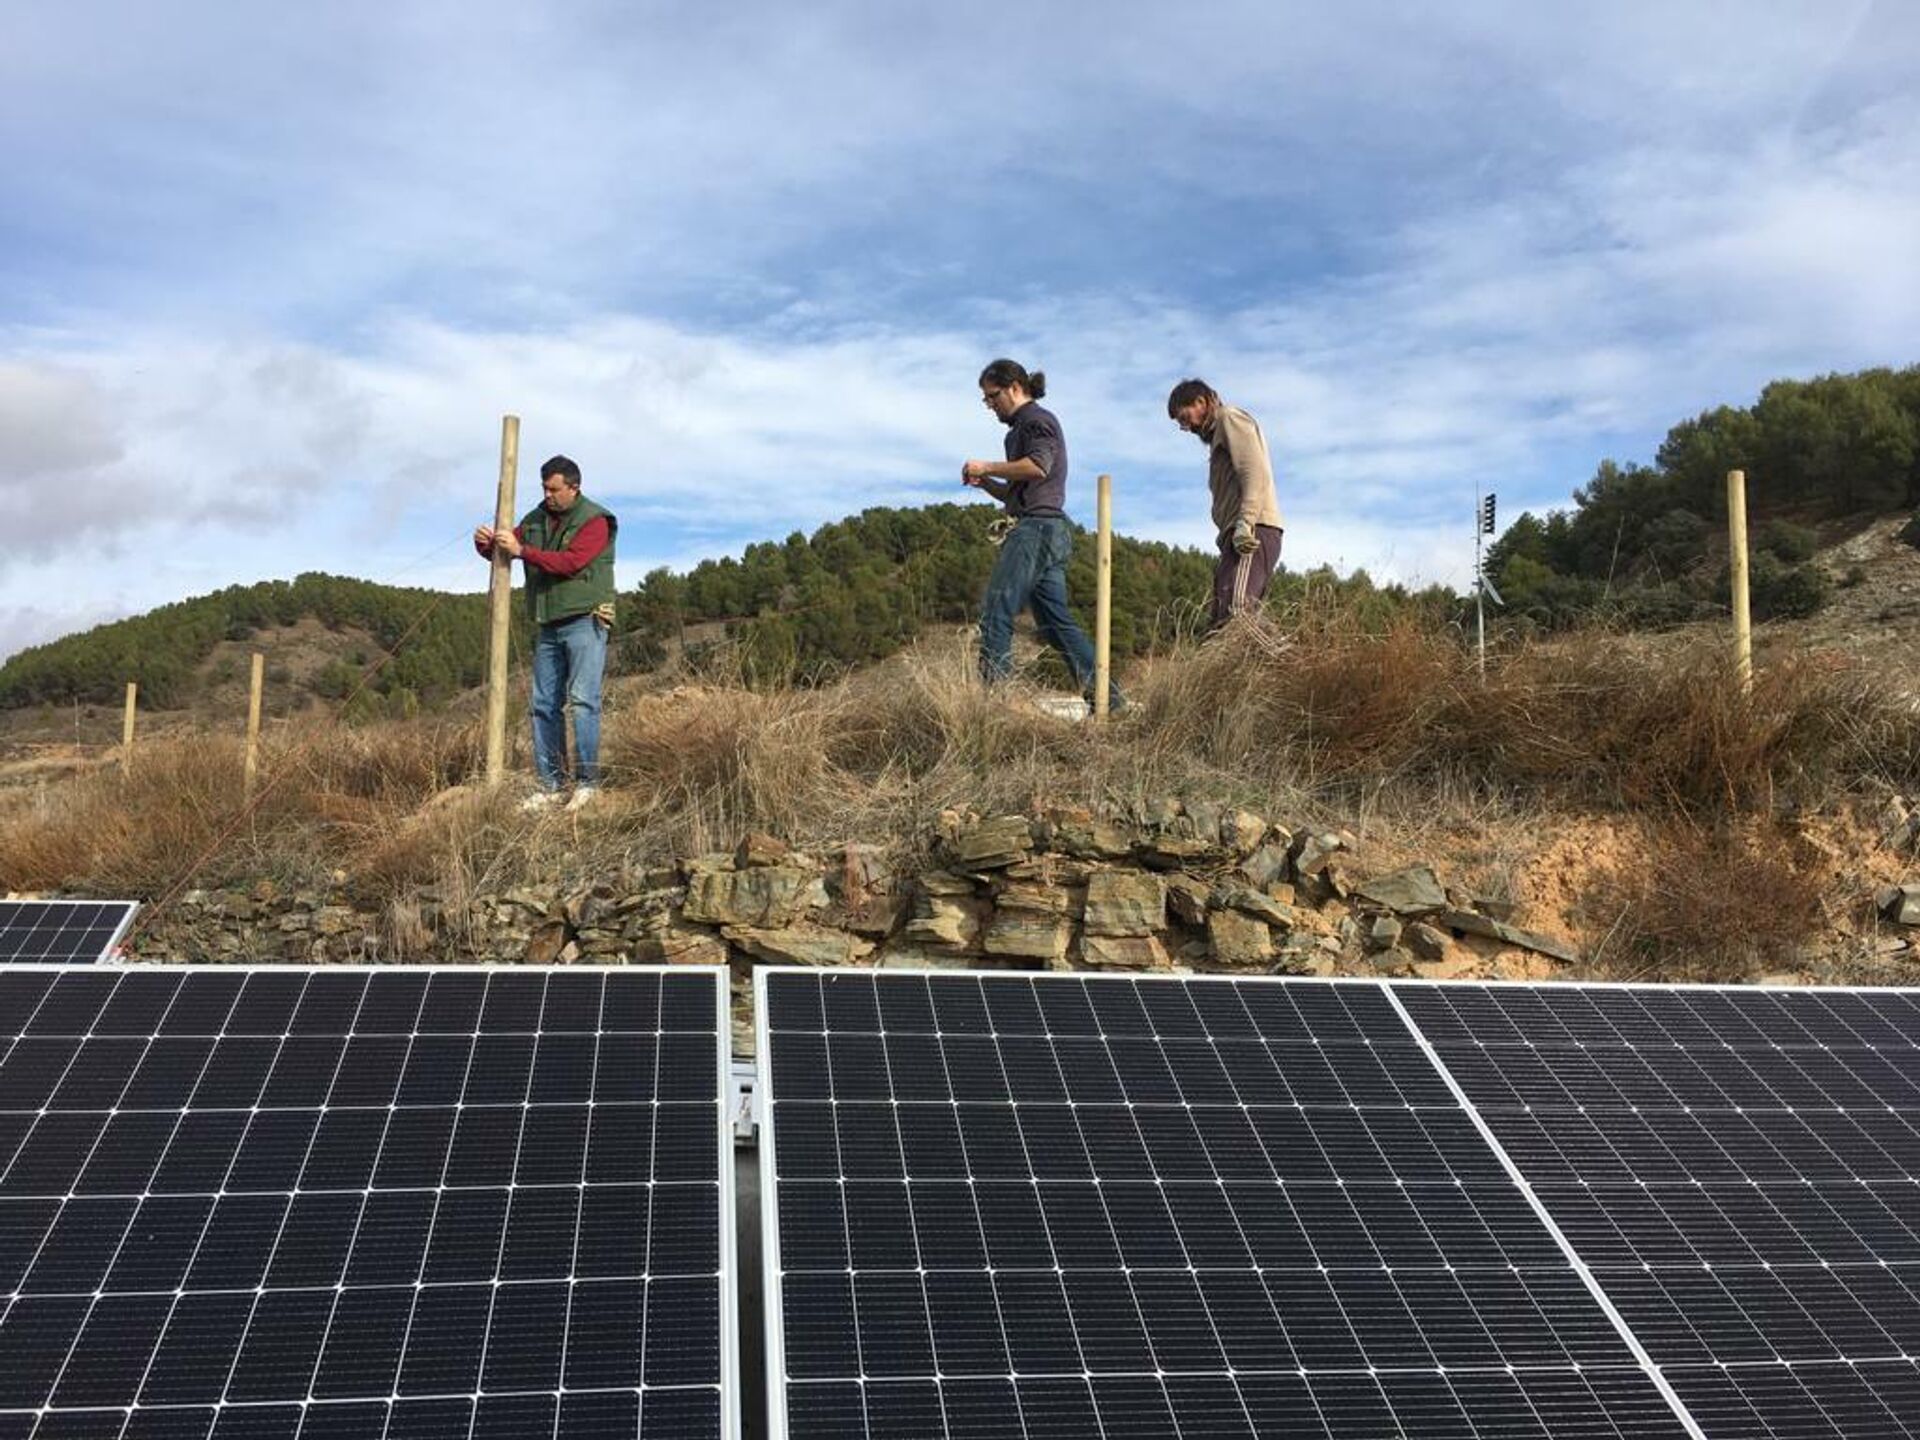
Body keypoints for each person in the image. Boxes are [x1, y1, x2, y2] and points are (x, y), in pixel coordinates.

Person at [962, 359, 1125, 714]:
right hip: (1047, 529)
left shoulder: (1037, 420)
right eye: (986, 400)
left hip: (1036, 530)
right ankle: (1110, 703)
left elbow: (1039, 466)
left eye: (992, 397)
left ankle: (994, 708)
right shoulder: (1016, 431)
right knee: (1055, 624)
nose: (989, 406)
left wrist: (986, 466)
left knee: (996, 611)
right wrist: (986, 482)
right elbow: (1015, 493)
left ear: (1014, 388)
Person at [474, 455, 618, 810]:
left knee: (584, 701)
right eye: (544, 487)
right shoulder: (535, 519)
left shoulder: (596, 520)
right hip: (549, 625)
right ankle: (552, 785)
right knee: (543, 706)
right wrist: (486, 543)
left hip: (586, 620)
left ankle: (587, 785)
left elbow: (571, 562)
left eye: (554, 489)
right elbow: (503, 552)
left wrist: (521, 550)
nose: (548, 494)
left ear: (574, 487)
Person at [1167, 379, 1284, 628]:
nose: (1186, 428)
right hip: (1234, 534)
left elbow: (1254, 471)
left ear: (1201, 401)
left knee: (1238, 610)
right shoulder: (1218, 436)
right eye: (1181, 424)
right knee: (1219, 625)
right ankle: (1272, 665)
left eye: (1185, 418)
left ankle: (1296, 663)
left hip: (1253, 529)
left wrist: (1245, 523)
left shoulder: (1229, 419)